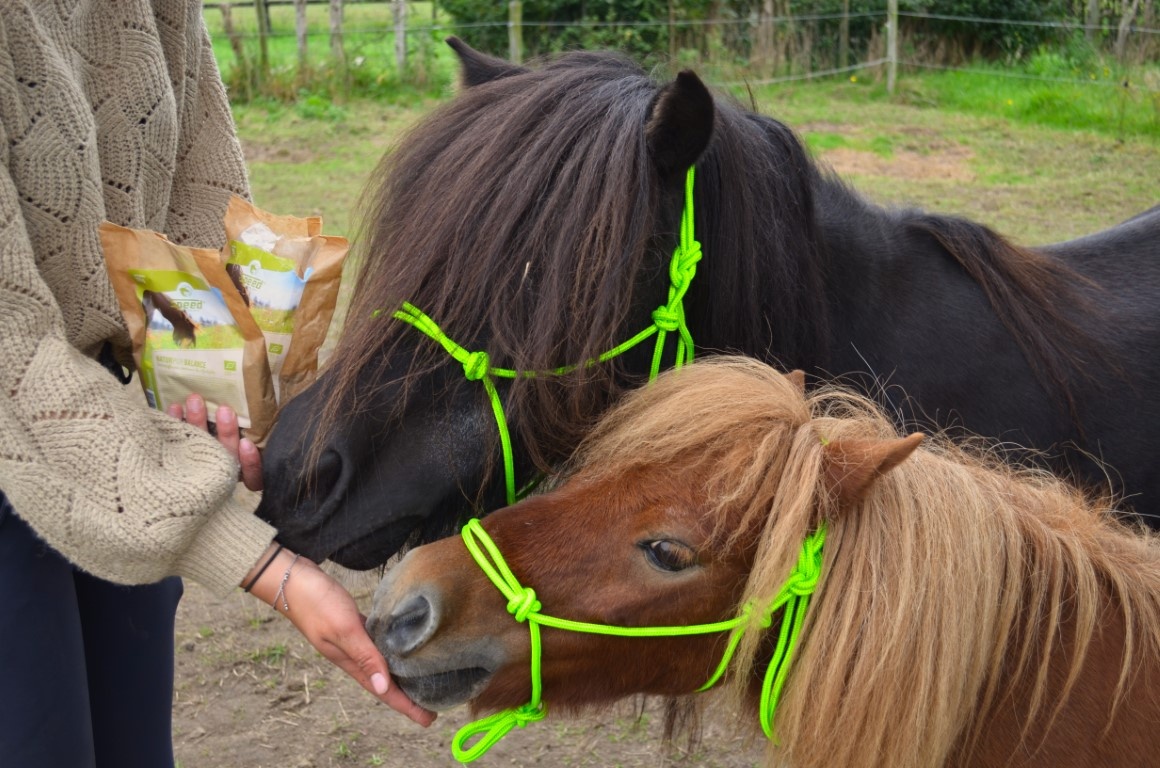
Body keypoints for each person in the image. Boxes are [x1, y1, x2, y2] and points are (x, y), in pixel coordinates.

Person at [0, 3, 433, 767]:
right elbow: (12, 345)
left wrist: (254, 401)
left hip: (124, 444)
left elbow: (198, 208)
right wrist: (266, 567)